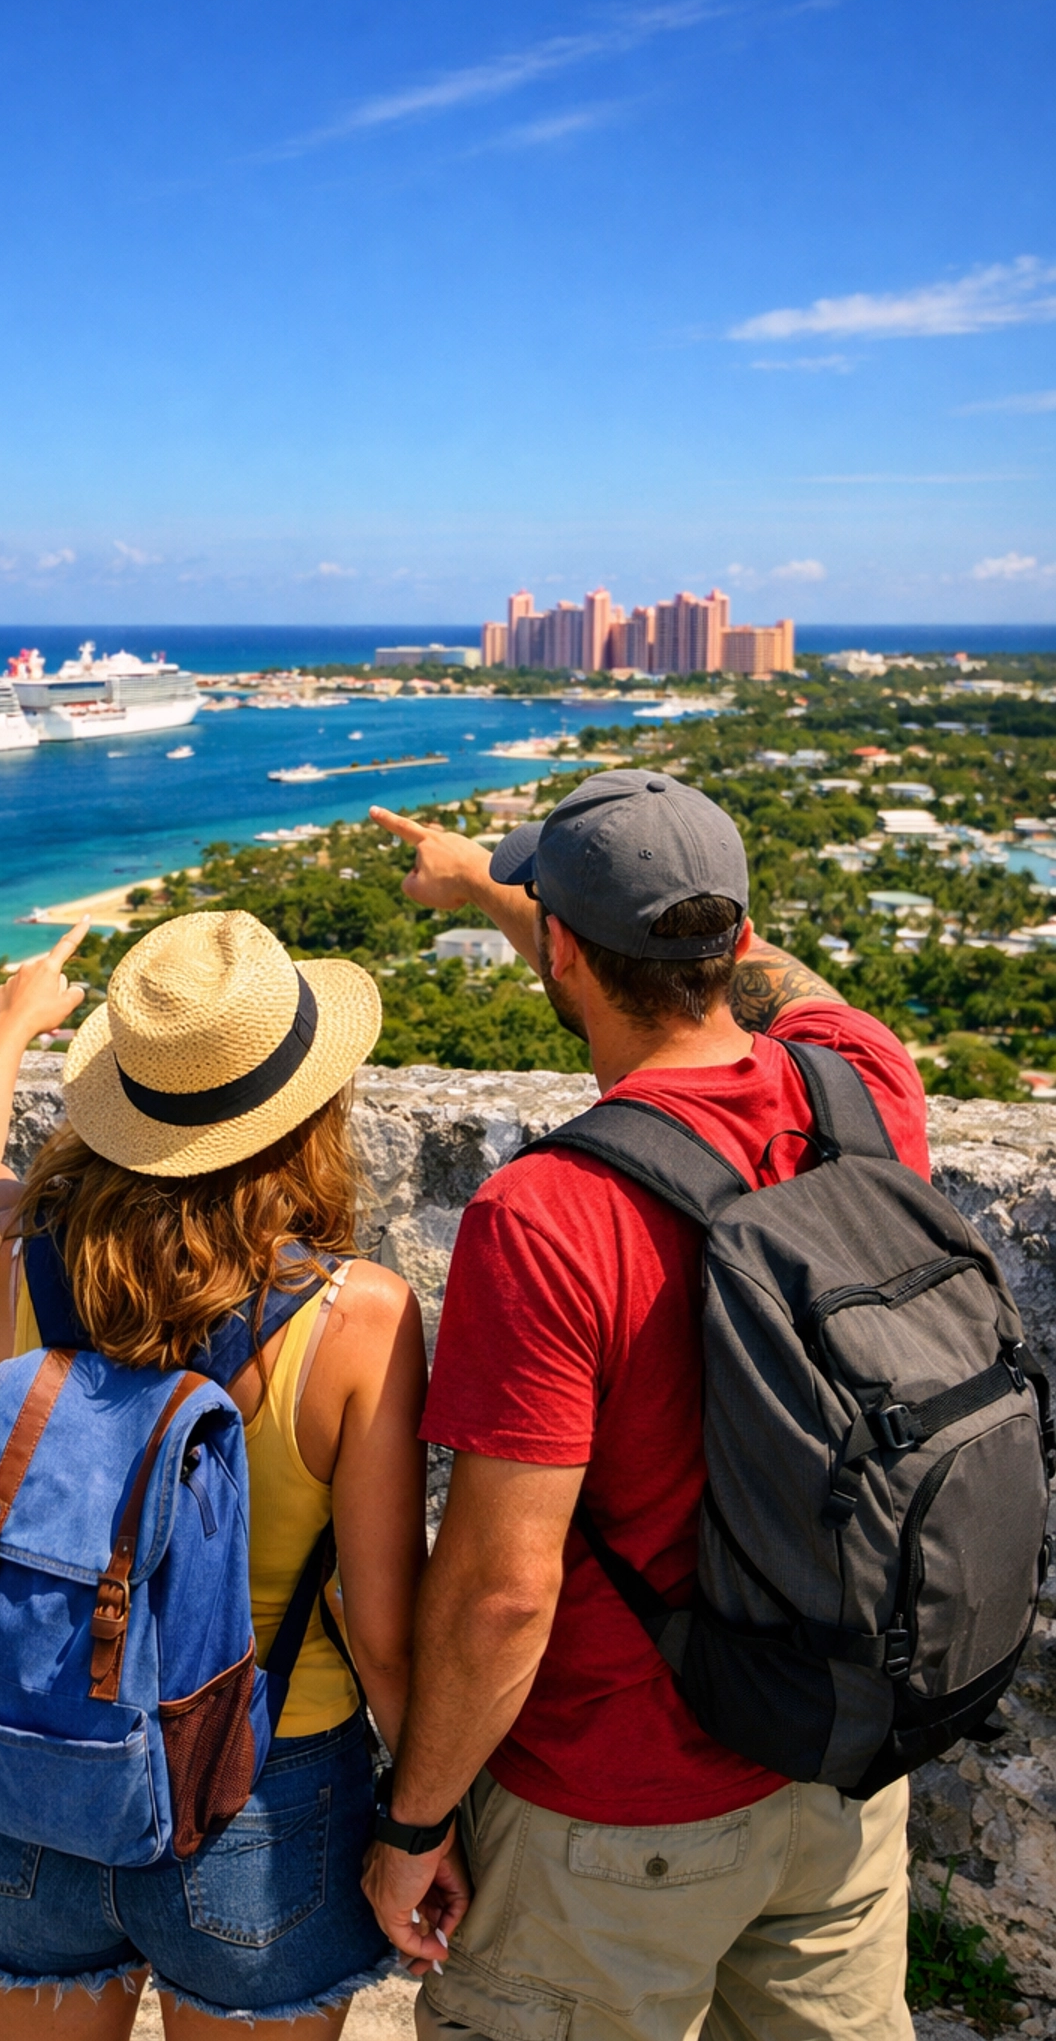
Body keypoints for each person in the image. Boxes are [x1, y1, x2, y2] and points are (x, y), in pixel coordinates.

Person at [361, 773, 929, 2041]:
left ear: (560, 948)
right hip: (837, 1769)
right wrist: (517, 895)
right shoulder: (863, 1089)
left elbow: (505, 1592)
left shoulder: (547, 1215)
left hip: (617, 1815)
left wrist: (416, 1821)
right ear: (729, 934)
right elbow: (744, 976)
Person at [0, 907, 429, 2041]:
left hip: (40, 1765)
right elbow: (383, 1632)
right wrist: (430, 1821)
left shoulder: (25, 1257)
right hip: (259, 1787)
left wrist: (13, 1026)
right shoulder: (358, 1323)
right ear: (307, 1112)